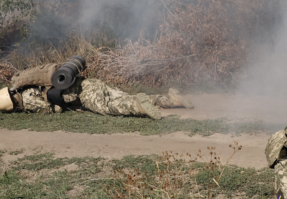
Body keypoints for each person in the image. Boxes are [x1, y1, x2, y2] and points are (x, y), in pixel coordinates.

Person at [0, 62, 193, 119]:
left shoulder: (27, 98)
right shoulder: (27, 83)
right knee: (124, 95)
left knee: (109, 107)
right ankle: (170, 99)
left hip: (86, 95)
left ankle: (137, 107)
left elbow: (56, 109)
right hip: (90, 83)